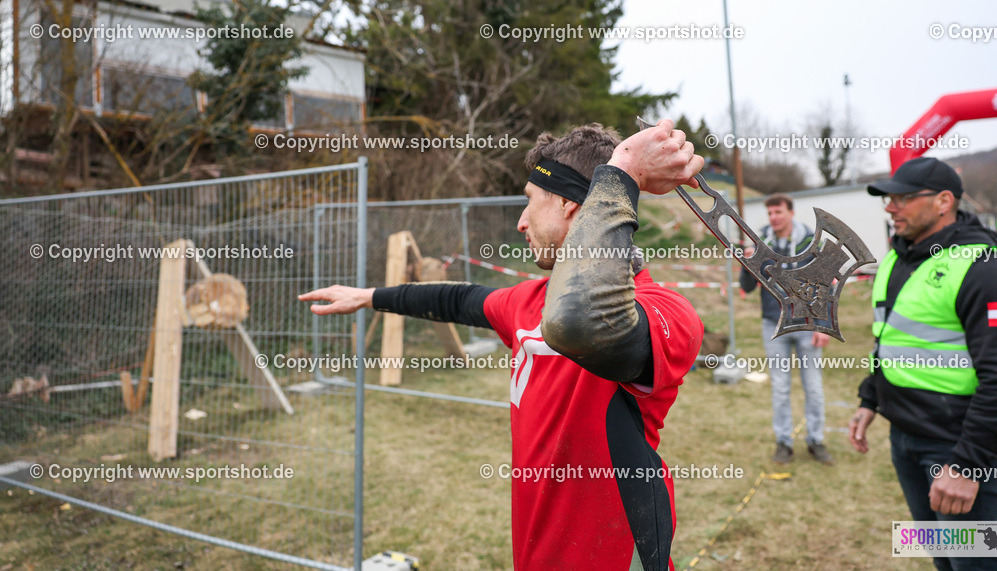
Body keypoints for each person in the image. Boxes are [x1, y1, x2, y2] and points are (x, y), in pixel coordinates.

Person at [300, 121, 705, 570]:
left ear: (572, 205)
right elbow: (460, 298)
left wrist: (624, 170)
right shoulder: (529, 301)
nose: (520, 221)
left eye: (530, 202)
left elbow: (581, 322)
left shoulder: (664, 312)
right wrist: (370, 297)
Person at [848, 157, 997, 571]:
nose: (891, 208)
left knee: (978, 567)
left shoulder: (989, 271)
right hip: (906, 443)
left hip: (958, 447)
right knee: (945, 561)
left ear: (945, 201)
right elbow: (889, 338)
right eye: (887, 199)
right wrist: (869, 399)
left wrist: (966, 465)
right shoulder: (898, 259)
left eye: (903, 198)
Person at [739, 194, 833, 465]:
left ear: (790, 213)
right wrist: (747, 265)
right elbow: (747, 287)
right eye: (770, 213)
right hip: (774, 325)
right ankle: (784, 442)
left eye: (778, 212)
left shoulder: (811, 242)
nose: (773, 218)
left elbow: (826, 285)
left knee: (813, 387)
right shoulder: (762, 243)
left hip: (808, 324)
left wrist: (823, 326)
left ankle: (816, 440)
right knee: (780, 388)